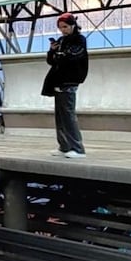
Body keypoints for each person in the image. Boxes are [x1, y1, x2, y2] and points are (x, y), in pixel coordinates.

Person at [41, 12, 88, 158]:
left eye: (65, 27)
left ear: (73, 25)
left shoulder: (79, 40)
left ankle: (78, 148)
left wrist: (61, 55)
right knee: (60, 116)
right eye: (61, 27)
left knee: (68, 114)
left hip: (69, 81)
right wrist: (53, 51)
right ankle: (64, 146)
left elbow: (73, 57)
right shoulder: (62, 40)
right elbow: (52, 60)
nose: (63, 30)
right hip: (58, 81)